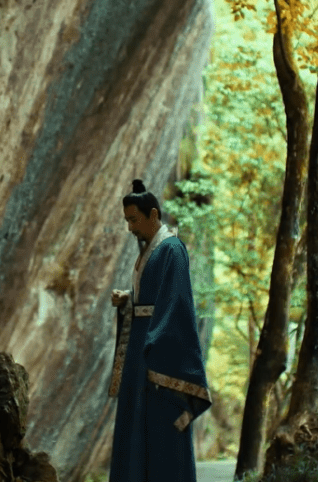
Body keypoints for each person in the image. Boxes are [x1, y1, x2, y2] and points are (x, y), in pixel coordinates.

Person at [107, 179, 211, 482]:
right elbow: (153, 298)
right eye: (127, 220)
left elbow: (176, 302)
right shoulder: (150, 251)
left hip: (156, 354)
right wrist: (129, 300)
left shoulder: (172, 250)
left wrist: (153, 346)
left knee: (161, 430)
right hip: (142, 351)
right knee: (137, 428)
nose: (130, 228)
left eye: (134, 220)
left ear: (154, 215)